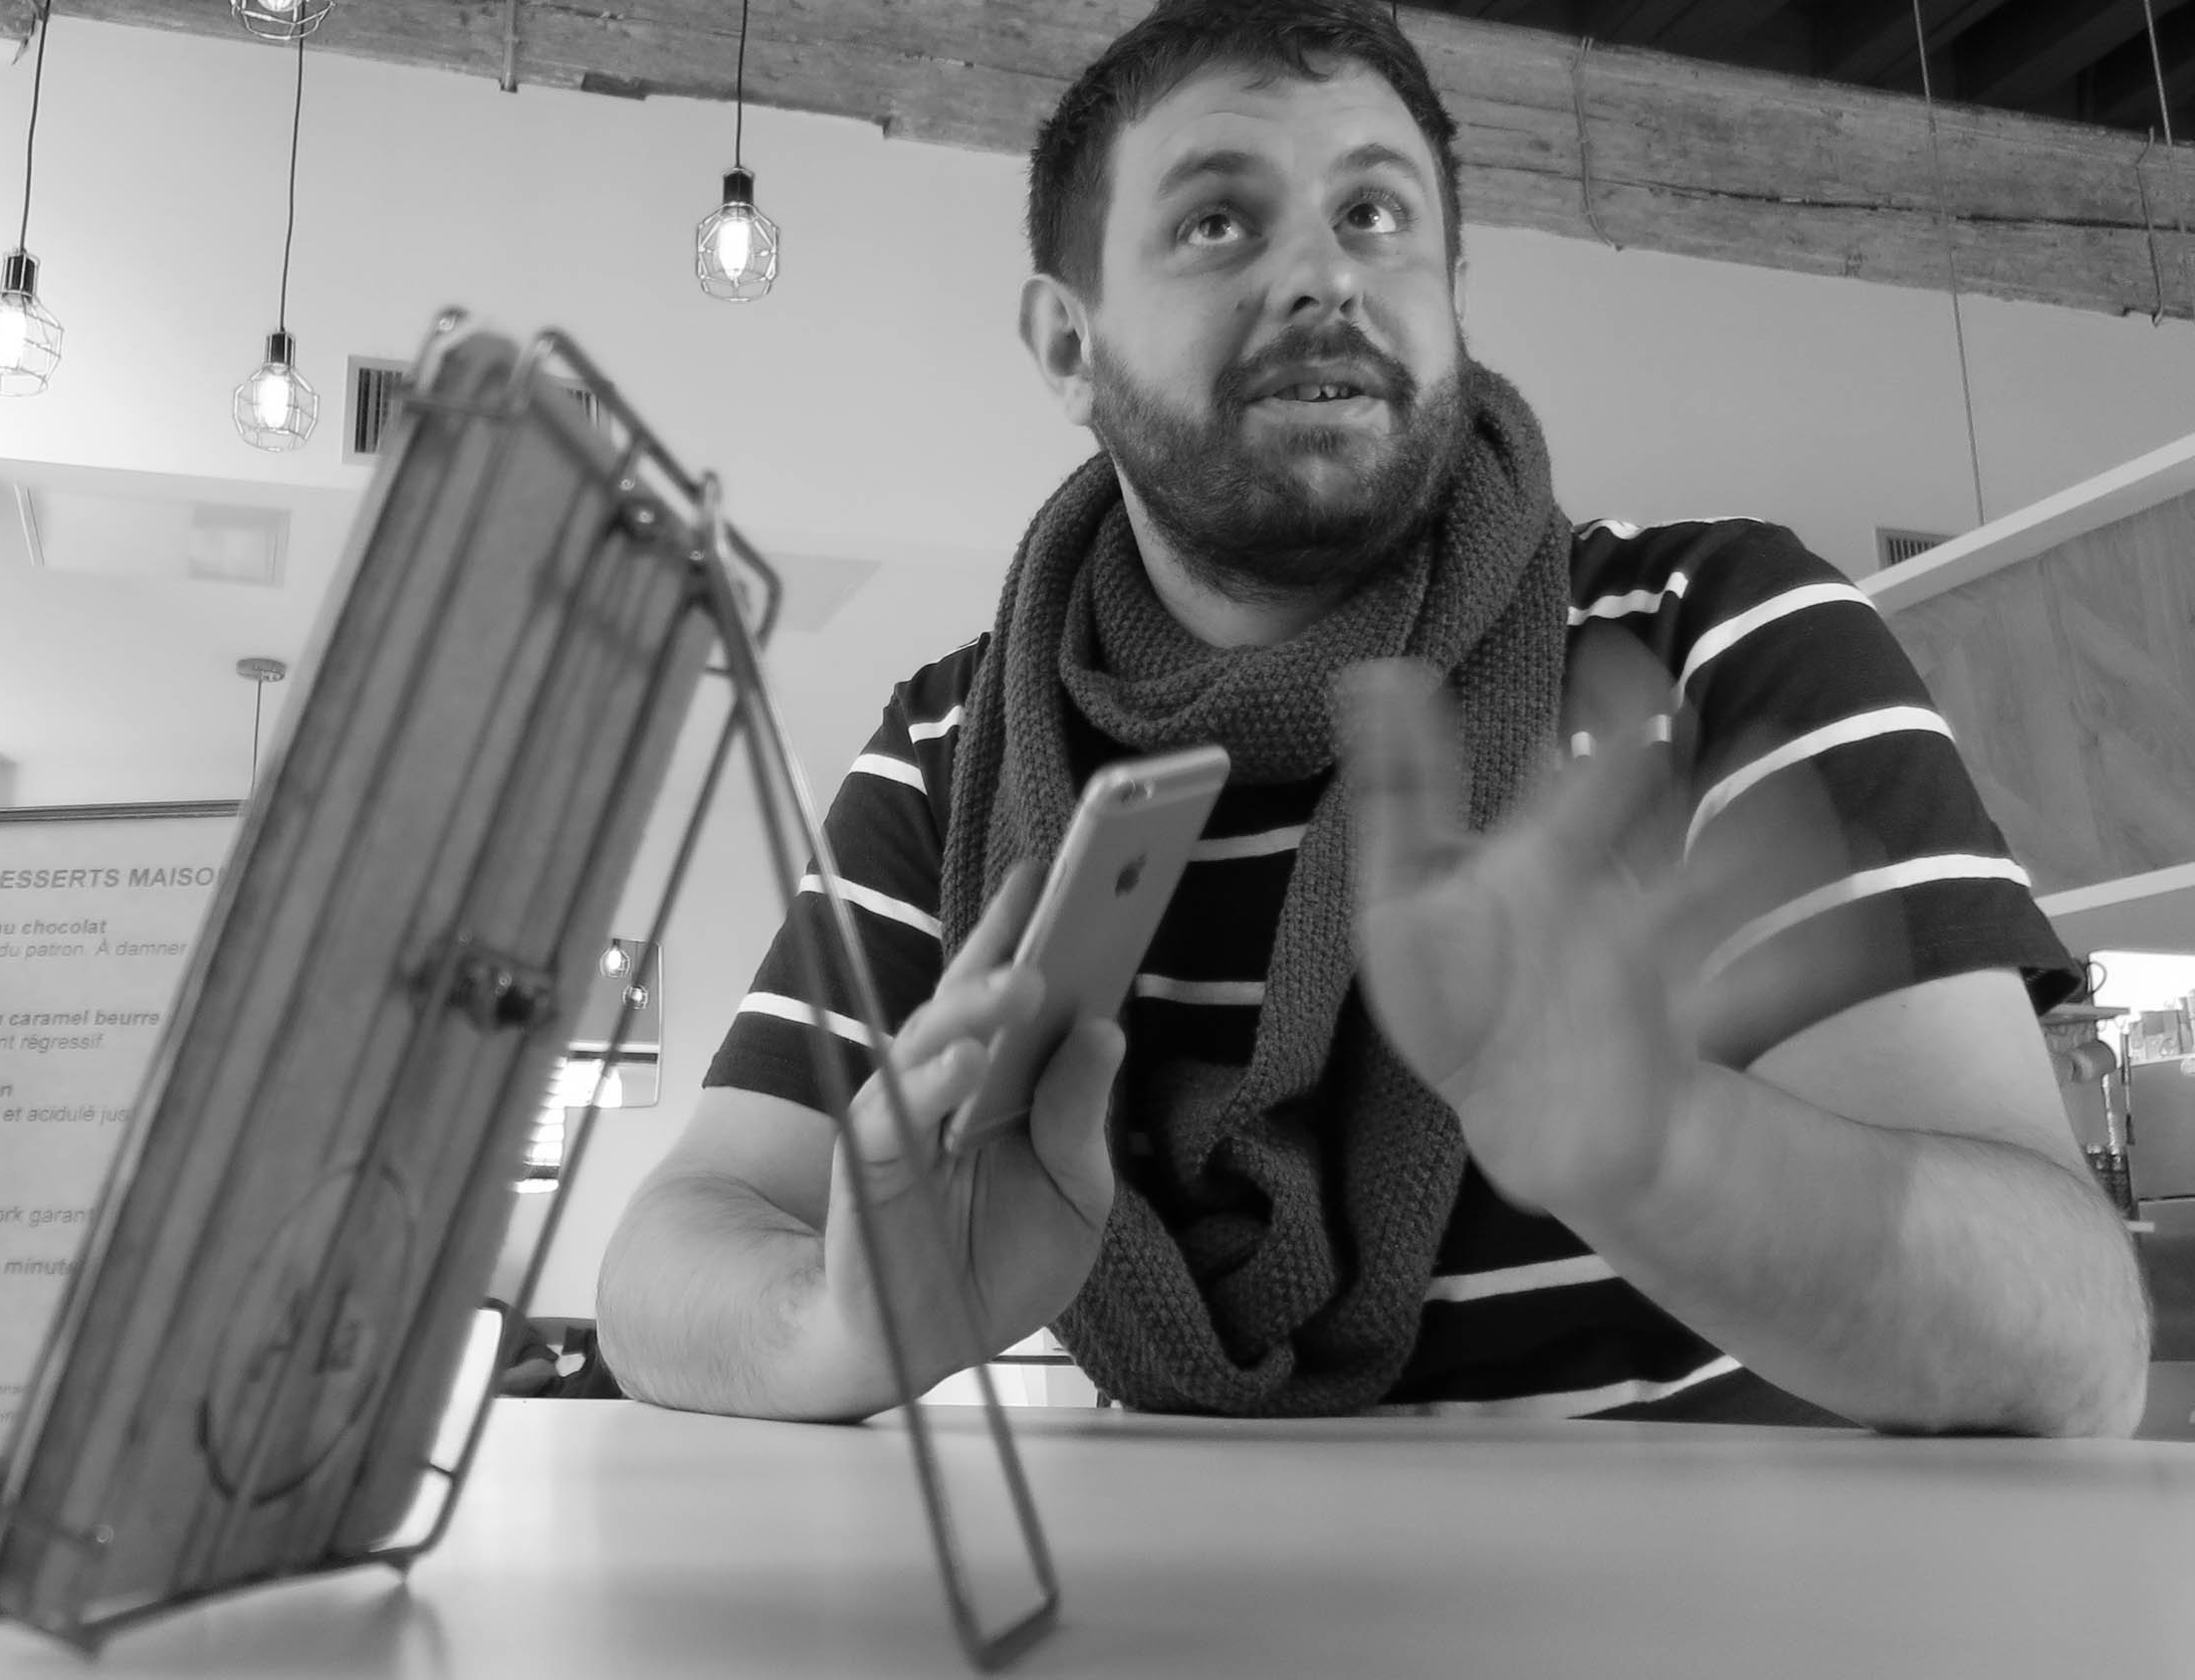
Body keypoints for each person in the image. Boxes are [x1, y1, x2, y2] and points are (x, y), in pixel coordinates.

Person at [597, 0, 2147, 1435]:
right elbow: (674, 1252)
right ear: (1070, 344)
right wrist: (841, 1324)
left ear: (1450, 298)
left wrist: (1668, 1153)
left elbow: (2074, 1343)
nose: (1324, 277)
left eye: (1376, 215)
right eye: (1218, 219)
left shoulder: (1715, 634)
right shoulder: (953, 753)